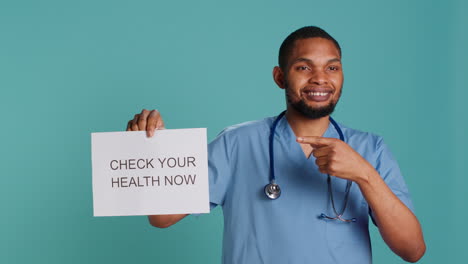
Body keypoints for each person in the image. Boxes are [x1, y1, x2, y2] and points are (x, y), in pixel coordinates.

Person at [126, 26, 426, 263]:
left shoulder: (370, 148)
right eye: (304, 68)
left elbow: (412, 250)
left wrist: (363, 173)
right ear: (280, 77)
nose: (320, 79)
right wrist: (150, 149)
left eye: (332, 68)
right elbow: (161, 217)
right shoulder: (238, 143)